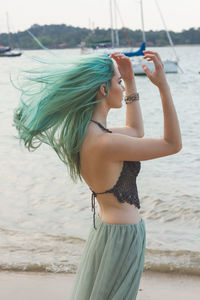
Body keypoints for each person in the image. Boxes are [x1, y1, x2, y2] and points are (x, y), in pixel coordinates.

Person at [13, 50, 182, 300]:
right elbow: (172, 144)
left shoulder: (87, 133)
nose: (122, 88)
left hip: (106, 231)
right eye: (119, 82)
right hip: (122, 236)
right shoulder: (105, 143)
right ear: (103, 90)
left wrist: (132, 81)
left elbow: (136, 130)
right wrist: (163, 86)